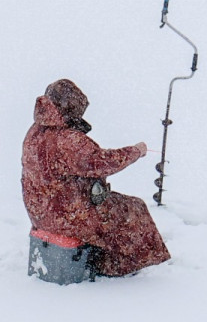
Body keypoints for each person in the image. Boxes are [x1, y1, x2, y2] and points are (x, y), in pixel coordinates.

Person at [21, 79, 170, 277]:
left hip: (40, 211)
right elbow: (101, 162)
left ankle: (95, 256)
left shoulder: (35, 131)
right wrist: (136, 151)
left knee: (111, 207)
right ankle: (111, 266)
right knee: (131, 209)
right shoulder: (67, 140)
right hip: (67, 216)